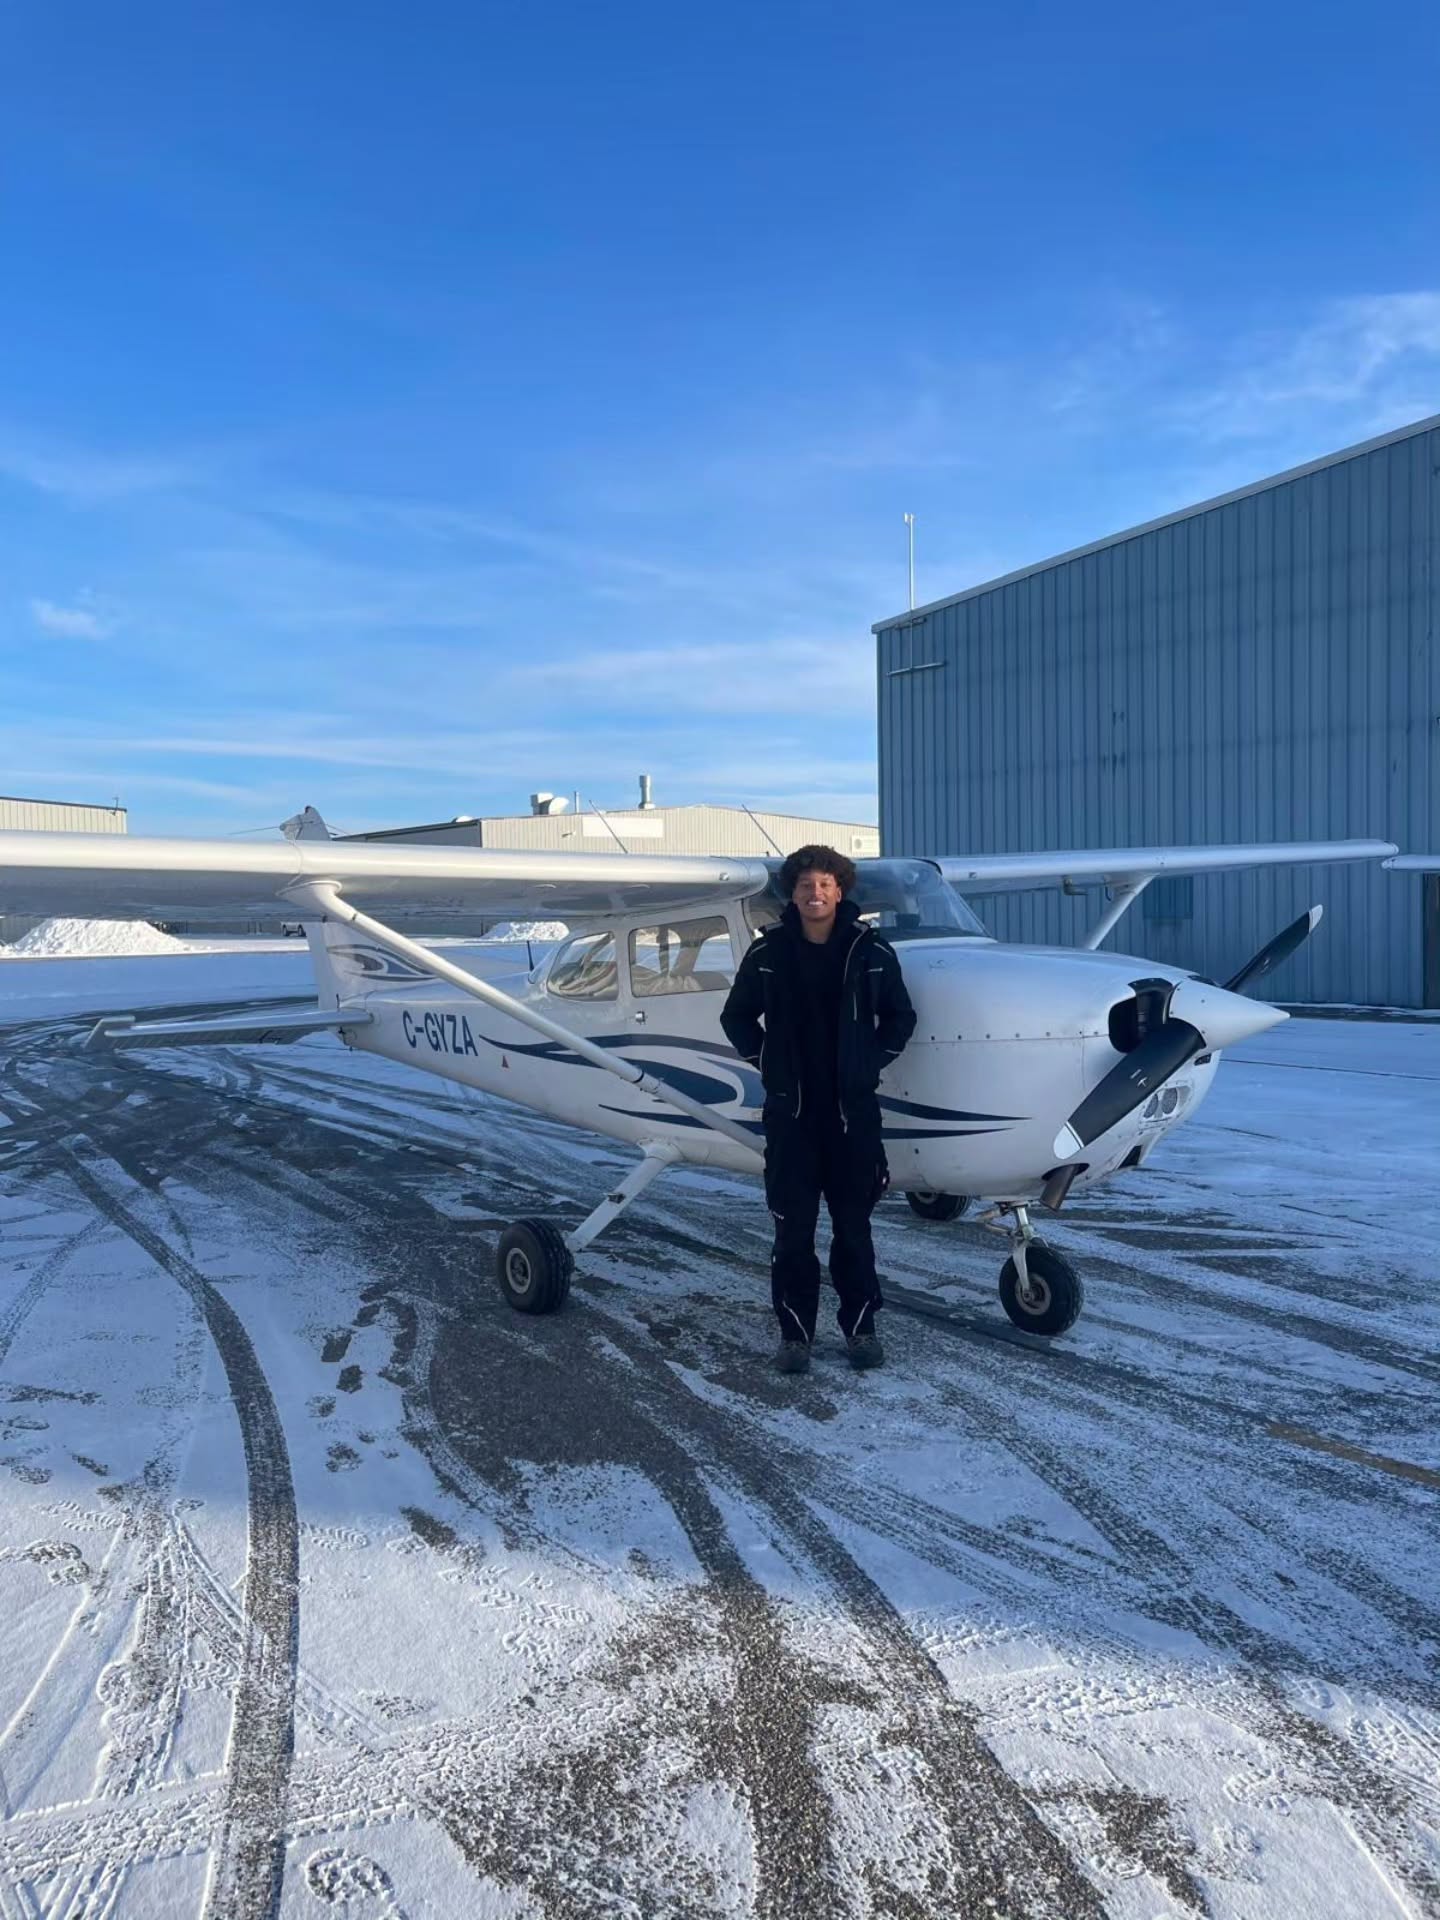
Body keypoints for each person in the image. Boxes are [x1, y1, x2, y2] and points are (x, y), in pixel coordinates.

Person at [721, 845, 916, 1373]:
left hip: (853, 1118)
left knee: (854, 1230)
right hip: (792, 1118)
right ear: (794, 892)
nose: (815, 893)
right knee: (793, 1233)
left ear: (840, 890)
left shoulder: (870, 949)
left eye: (826, 884)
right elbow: (736, 1017)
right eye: (806, 884)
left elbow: (901, 1017)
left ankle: (861, 1331)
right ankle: (795, 1336)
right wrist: (768, 1060)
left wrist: (870, 1061)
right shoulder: (768, 952)